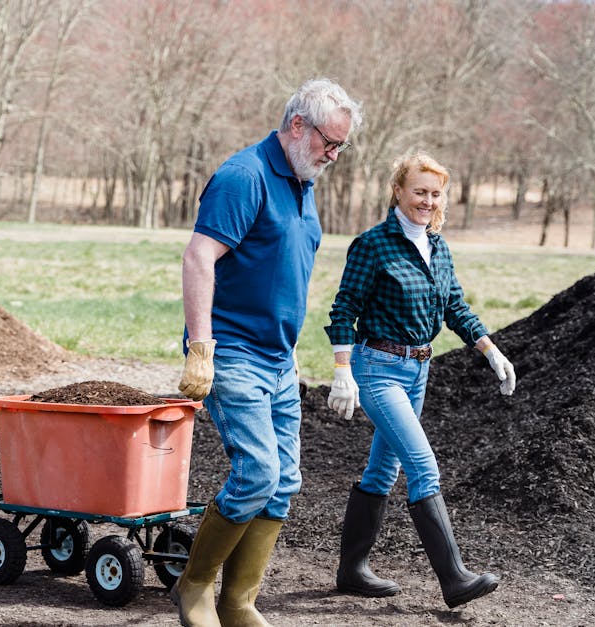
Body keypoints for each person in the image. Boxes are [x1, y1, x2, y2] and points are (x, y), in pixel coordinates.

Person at [174, 78, 363, 627]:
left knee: (285, 481)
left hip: (279, 359)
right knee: (258, 472)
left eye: (341, 147)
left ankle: (238, 602)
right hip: (231, 352)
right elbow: (198, 259)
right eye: (331, 142)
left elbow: (282, 275)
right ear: (297, 125)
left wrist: (293, 352)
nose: (334, 155)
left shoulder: (304, 180)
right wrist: (201, 347)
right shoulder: (245, 176)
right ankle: (194, 587)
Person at [323, 152, 516, 608]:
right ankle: (454, 578)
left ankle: (351, 570)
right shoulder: (373, 244)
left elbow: (454, 307)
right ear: (398, 191)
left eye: (435, 193)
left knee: (383, 468)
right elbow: (343, 309)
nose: (427, 201)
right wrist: (341, 371)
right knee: (421, 465)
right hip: (378, 369)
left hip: (419, 371)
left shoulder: (439, 245)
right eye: (419, 192)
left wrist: (491, 351)